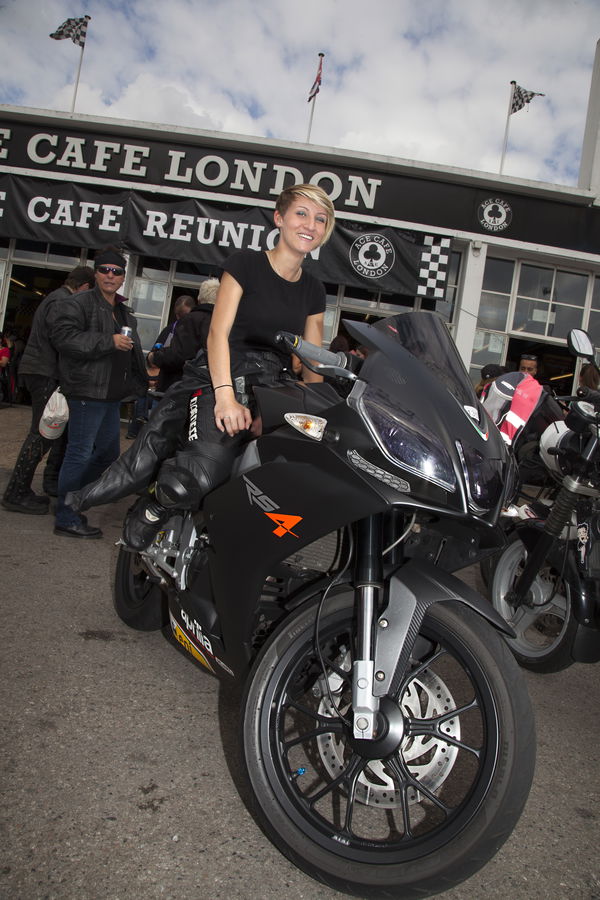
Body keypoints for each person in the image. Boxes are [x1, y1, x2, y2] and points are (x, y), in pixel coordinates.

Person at [67, 184, 335, 551]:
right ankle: (155, 507)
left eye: (321, 218)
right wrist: (225, 398)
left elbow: (312, 360)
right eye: (302, 213)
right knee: (205, 470)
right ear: (279, 218)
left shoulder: (314, 289)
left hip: (273, 385)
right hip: (221, 373)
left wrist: (305, 409)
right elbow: (218, 335)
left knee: (282, 486)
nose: (311, 224)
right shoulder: (246, 263)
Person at [50, 247, 148, 538]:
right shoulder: (79, 302)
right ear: (95, 273)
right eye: (104, 269)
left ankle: (73, 499)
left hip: (110, 395)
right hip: (86, 391)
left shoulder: (121, 310)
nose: (110, 275)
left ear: (123, 277)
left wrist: (144, 375)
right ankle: (67, 515)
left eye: (116, 271)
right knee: (79, 454)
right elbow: (64, 339)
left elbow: (130, 351)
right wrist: (108, 341)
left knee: (107, 454)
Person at [1, 266, 95, 514]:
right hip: (44, 372)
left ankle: (23, 489)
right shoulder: (63, 301)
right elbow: (62, 338)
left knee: (45, 433)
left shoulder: (55, 298)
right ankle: (16, 492)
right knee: (42, 433)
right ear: (84, 287)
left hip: (40, 370)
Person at [148, 280, 220, 391]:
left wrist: (154, 357)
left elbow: (178, 356)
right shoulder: (227, 322)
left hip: (183, 388)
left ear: (199, 299)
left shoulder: (191, 320)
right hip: (215, 388)